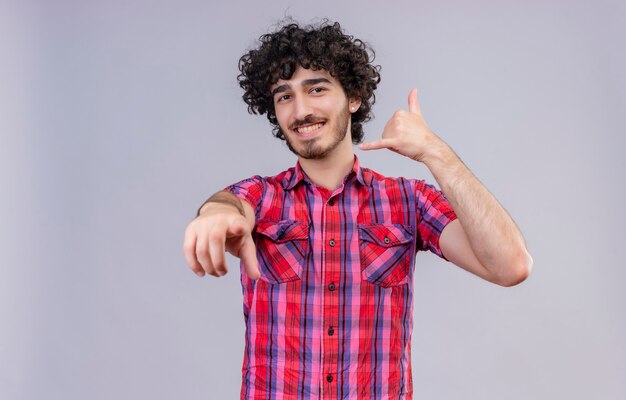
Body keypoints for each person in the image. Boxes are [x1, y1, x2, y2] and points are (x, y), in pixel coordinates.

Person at [183, 20, 532, 400]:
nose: (300, 110)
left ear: (353, 97)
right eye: (284, 96)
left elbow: (510, 265)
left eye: (316, 89)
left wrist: (435, 151)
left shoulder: (408, 201)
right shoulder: (262, 196)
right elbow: (229, 204)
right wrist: (215, 213)